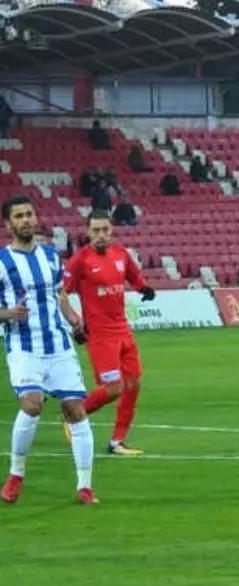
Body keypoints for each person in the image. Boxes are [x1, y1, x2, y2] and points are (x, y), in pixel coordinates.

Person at [0, 194, 97, 504]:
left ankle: (85, 486)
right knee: (32, 404)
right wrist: (7, 314)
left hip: (58, 344)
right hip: (24, 345)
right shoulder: (2, 262)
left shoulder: (51, 256)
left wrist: (74, 319)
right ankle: (16, 475)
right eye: (19, 216)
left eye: (29, 214)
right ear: (8, 224)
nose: (26, 220)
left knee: (76, 411)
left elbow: (60, 294)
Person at [63, 211, 156, 456]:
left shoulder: (120, 254)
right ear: (87, 232)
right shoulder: (80, 260)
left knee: (134, 383)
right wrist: (75, 321)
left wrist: (143, 288)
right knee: (114, 388)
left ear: (112, 229)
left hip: (123, 329)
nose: (101, 235)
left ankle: (117, 442)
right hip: (101, 335)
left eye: (105, 229)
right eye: (96, 230)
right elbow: (60, 292)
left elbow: (134, 276)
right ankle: (73, 414)